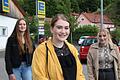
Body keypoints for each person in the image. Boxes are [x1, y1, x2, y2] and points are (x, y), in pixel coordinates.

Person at [32, 14, 85, 80]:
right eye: (59, 27)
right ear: (52, 29)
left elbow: (80, 74)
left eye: (66, 28)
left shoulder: (72, 49)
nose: (63, 31)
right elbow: (38, 76)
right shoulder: (41, 50)